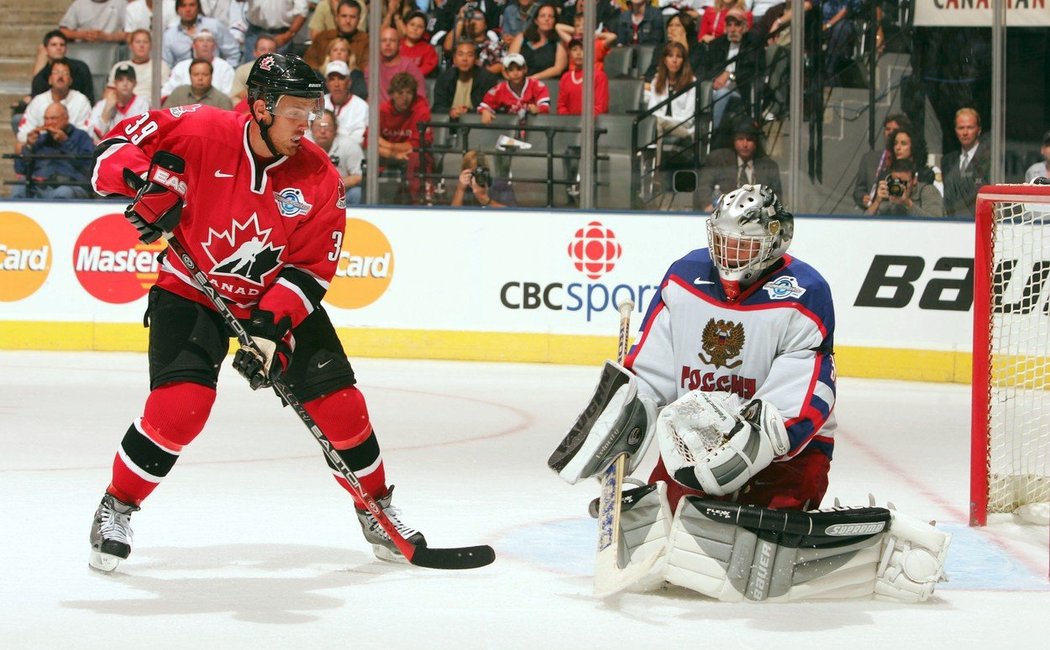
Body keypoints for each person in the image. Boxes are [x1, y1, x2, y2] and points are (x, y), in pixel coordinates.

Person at [87, 52, 425, 573]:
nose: (306, 123)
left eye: (311, 111)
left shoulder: (318, 175)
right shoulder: (198, 127)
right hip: (191, 289)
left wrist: (270, 330)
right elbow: (113, 149)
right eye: (295, 111)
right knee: (181, 409)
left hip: (272, 300)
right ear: (261, 108)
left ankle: (376, 506)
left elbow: (311, 269)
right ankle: (117, 505)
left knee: (342, 409)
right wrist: (145, 183)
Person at [551, 187, 949, 603]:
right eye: (723, 241)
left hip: (786, 456)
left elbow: (806, 396)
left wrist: (747, 444)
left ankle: (872, 548)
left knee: (760, 547)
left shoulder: (804, 292)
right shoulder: (683, 278)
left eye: (744, 244)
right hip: (691, 449)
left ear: (775, 241)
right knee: (668, 532)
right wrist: (626, 418)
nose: (731, 254)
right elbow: (652, 368)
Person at [700, 6, 764, 132]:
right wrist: (714, 79)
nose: (733, 29)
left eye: (737, 25)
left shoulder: (753, 44)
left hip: (741, 90)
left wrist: (730, 75)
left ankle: (715, 132)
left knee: (722, 94)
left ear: (745, 26)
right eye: (729, 25)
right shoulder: (717, 44)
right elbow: (706, 68)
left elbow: (753, 70)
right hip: (715, 88)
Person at [12, 103, 94, 199]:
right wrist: (29, 146)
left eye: (53, 118)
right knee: (20, 186)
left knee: (63, 192)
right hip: (41, 187)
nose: (49, 123)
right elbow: (21, 170)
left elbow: (89, 166)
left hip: (71, 186)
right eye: (46, 119)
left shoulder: (81, 136)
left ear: (66, 118)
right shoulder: (40, 139)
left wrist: (65, 142)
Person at [697, 118, 782, 210]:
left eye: (749, 140)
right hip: (724, 215)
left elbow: (776, 197)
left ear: (756, 143)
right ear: (733, 141)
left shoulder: (769, 166)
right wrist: (708, 205)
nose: (745, 144)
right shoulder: (717, 160)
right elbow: (704, 187)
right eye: (740, 139)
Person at [374, 72, 433, 203]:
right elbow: (369, 142)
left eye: (409, 93)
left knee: (417, 157)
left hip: (411, 156)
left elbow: (418, 144)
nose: (405, 98)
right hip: (388, 156)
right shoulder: (383, 110)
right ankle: (371, 201)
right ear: (392, 94)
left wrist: (386, 145)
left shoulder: (421, 109)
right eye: (400, 93)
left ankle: (418, 202)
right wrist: (394, 154)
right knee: (370, 159)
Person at [16, 61, 93, 155]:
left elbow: (86, 133)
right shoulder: (38, 101)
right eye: (56, 72)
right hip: (43, 146)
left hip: (70, 148)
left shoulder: (81, 101)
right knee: (19, 147)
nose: (60, 76)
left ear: (70, 80)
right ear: (49, 79)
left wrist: (64, 138)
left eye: (65, 73)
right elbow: (23, 132)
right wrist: (32, 138)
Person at [646, 41, 696, 168]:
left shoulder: (691, 82)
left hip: (684, 128)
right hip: (660, 126)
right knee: (654, 123)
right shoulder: (657, 80)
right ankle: (651, 167)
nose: (674, 60)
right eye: (670, 56)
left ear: (684, 61)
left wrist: (664, 120)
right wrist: (662, 121)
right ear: (664, 59)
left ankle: (654, 170)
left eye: (678, 57)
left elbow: (688, 119)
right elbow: (652, 109)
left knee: (657, 123)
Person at [851, 112, 911, 211]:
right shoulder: (868, 159)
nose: (890, 133)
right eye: (887, 129)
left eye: (895, 130)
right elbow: (858, 190)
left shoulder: (909, 161)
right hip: (873, 214)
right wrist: (863, 198)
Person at [432, 40, 500, 120]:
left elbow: (491, 108)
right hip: (450, 124)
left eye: (469, 55)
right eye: (460, 54)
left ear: (476, 59)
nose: (464, 59)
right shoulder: (445, 78)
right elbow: (437, 107)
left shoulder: (487, 79)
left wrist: (469, 111)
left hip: (476, 124)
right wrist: (451, 111)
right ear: (454, 59)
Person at [941, 107, 991, 217]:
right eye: (961, 128)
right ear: (955, 130)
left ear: (979, 130)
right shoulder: (948, 161)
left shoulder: (990, 159)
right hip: (952, 223)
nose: (965, 132)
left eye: (970, 127)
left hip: (980, 222)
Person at [163, 0, 242, 67]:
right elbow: (167, 64)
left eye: (192, 5)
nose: (188, 9)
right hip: (183, 79)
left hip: (215, 77)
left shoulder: (214, 26)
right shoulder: (169, 35)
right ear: (177, 10)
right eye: (183, 6)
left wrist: (225, 71)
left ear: (198, 7)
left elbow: (233, 53)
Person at [309, 108, 363, 203]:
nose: (322, 131)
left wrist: (329, 185)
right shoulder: (301, 145)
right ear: (311, 128)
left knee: (356, 192)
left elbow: (358, 176)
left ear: (336, 128)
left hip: (340, 192)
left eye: (327, 127)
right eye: (318, 126)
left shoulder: (349, 145)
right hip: (310, 192)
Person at [478, 53, 550, 123]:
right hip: (510, 128)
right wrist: (485, 111)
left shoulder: (537, 85)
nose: (515, 73)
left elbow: (545, 106)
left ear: (525, 69)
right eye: (511, 70)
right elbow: (484, 106)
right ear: (506, 73)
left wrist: (538, 109)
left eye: (518, 69)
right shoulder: (499, 89)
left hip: (534, 127)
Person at [162, 31, 238, 97]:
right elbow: (167, 92)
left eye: (209, 40)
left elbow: (229, 95)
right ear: (193, 45)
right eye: (201, 40)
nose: (205, 44)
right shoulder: (180, 67)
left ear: (214, 46)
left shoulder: (225, 68)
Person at [30, 30, 96, 105]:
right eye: (54, 45)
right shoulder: (40, 78)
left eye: (62, 45)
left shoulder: (80, 69)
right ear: (46, 49)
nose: (58, 48)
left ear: (66, 49)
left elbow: (89, 99)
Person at [367, 27, 429, 104]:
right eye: (383, 40)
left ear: (399, 45)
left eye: (392, 40)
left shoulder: (409, 66)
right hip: (378, 113)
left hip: (404, 113)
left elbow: (421, 99)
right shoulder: (373, 66)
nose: (388, 44)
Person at [864, 158, 945, 218]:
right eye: (895, 181)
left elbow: (936, 223)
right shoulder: (891, 192)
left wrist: (908, 203)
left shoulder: (928, 191)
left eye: (903, 182)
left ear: (914, 180)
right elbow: (864, 223)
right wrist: (877, 202)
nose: (899, 186)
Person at [305, 0, 369, 73]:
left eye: (352, 17)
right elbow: (310, 65)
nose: (348, 21)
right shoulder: (322, 38)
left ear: (359, 19)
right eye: (344, 16)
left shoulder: (366, 42)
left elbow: (366, 70)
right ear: (337, 18)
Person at [90, 65, 151, 141]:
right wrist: (106, 110)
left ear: (135, 83)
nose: (125, 84)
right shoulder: (101, 105)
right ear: (115, 83)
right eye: (120, 80)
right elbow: (94, 137)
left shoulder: (142, 104)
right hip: (108, 150)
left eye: (129, 80)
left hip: (133, 149)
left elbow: (144, 135)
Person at [109, 29, 173, 102]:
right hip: (124, 106)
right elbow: (109, 92)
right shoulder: (119, 66)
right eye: (138, 42)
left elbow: (167, 93)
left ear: (151, 46)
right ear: (130, 46)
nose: (141, 45)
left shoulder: (161, 66)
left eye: (145, 42)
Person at [509, 3, 567, 81]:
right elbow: (509, 62)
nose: (547, 19)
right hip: (520, 83)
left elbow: (558, 69)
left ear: (555, 21)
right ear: (536, 20)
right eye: (543, 16)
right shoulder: (522, 37)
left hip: (549, 84)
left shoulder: (559, 41)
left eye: (551, 16)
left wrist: (533, 78)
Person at [443, 6, 504, 76]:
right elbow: (448, 47)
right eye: (470, 18)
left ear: (485, 25)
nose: (473, 22)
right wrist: (460, 20)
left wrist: (476, 75)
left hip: (484, 82)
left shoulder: (493, 45)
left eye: (478, 19)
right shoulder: (460, 43)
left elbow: (501, 65)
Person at [241, 0, 310, 60]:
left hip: (281, 34)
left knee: (279, 70)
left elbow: (302, 11)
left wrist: (289, 34)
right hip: (255, 31)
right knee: (249, 69)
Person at [323, 60, 369, 148]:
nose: (336, 84)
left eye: (341, 78)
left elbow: (359, 140)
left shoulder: (362, 107)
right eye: (332, 79)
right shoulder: (318, 103)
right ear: (327, 84)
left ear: (349, 82)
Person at [556, 39, 609, 116]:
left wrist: (583, 122)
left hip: (592, 125)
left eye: (582, 49)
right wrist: (569, 120)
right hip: (569, 124)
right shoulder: (565, 77)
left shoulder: (599, 76)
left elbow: (601, 107)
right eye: (574, 50)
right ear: (570, 53)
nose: (578, 53)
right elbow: (561, 106)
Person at [162, 58, 235, 109]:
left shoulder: (222, 100)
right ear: (190, 76)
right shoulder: (178, 93)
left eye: (205, 74)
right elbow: (165, 118)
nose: (200, 78)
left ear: (211, 76)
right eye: (196, 74)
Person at [230, 34, 279, 103]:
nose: (267, 53)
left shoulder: (283, 73)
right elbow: (235, 98)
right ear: (255, 52)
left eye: (271, 50)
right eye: (262, 49)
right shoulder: (242, 71)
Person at [59, 0, 127, 43]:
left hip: (113, 49)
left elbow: (131, 34)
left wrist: (107, 37)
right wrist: (82, 35)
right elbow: (63, 31)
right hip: (84, 48)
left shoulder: (121, 2)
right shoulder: (79, 3)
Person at [399, 10, 439, 77]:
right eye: (412, 24)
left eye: (420, 26)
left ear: (424, 31)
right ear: (405, 26)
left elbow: (427, 68)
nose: (415, 28)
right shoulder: (396, 45)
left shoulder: (428, 49)